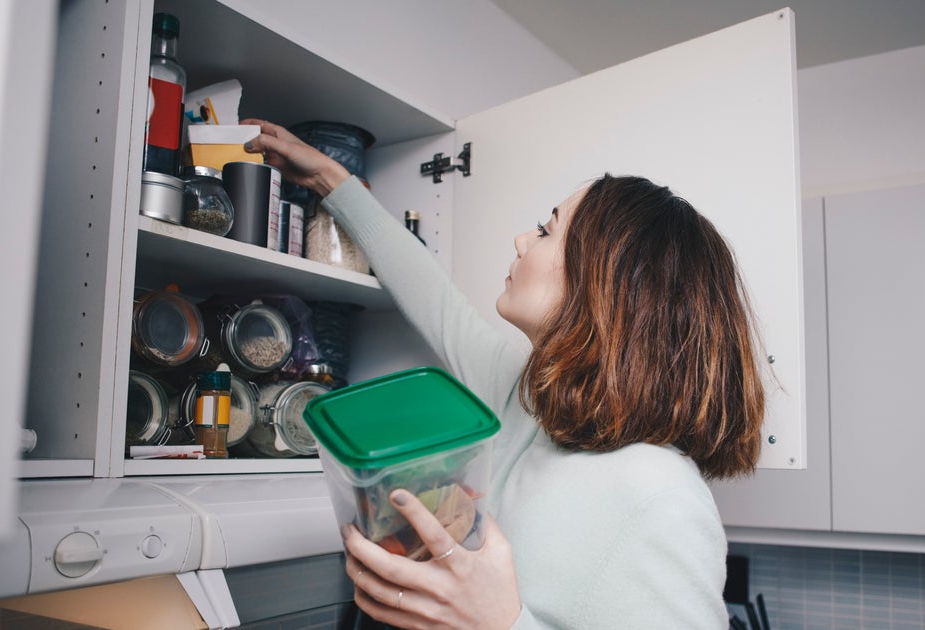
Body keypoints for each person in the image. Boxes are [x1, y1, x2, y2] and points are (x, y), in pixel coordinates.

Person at [244, 119, 766, 629]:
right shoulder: (527, 397)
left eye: (545, 231)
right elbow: (436, 300)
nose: (521, 240)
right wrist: (331, 180)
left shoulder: (660, 493)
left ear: (608, 282)